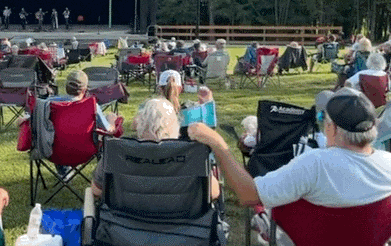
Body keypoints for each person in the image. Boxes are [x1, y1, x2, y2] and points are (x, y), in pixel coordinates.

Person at [188, 88, 391, 228]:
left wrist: (218, 144)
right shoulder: (387, 164)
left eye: (323, 119)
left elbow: (248, 195)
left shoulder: (314, 164)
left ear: (333, 128)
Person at [92, 98, 220, 199]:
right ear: (175, 125)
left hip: (125, 227)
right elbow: (213, 193)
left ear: (140, 124)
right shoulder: (191, 154)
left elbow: (96, 190)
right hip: (182, 227)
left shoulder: (118, 151)